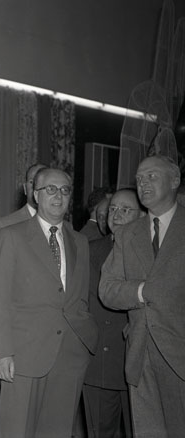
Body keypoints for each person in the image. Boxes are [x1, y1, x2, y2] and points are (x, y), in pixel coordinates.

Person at [0, 167, 98, 438]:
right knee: (17, 431)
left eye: (64, 190)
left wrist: (84, 343)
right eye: (50, 189)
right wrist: (2, 352)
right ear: (35, 195)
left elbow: (80, 298)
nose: (58, 196)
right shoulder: (10, 236)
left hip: (70, 356)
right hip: (23, 356)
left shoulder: (80, 242)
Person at [100, 155, 185, 437]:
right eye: (139, 178)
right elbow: (107, 290)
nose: (143, 183)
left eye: (151, 176)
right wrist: (141, 290)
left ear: (175, 180)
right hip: (141, 356)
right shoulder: (127, 234)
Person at [83, 189, 142, 438]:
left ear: (143, 216)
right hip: (100, 365)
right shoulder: (89, 251)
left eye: (125, 210)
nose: (116, 215)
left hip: (140, 365)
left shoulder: (153, 253)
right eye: (112, 210)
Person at [0, 163, 46, 257]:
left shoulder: (63, 229)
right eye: (32, 182)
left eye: (43, 182)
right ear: (25, 189)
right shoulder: (3, 226)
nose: (37, 187)